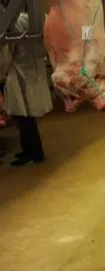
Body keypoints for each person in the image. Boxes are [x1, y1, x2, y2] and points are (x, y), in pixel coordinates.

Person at [3, 12, 53, 166]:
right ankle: (28, 150)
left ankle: (34, 153)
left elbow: (6, 54)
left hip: (20, 73)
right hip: (31, 69)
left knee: (24, 118)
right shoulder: (28, 16)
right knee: (25, 117)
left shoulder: (10, 22)